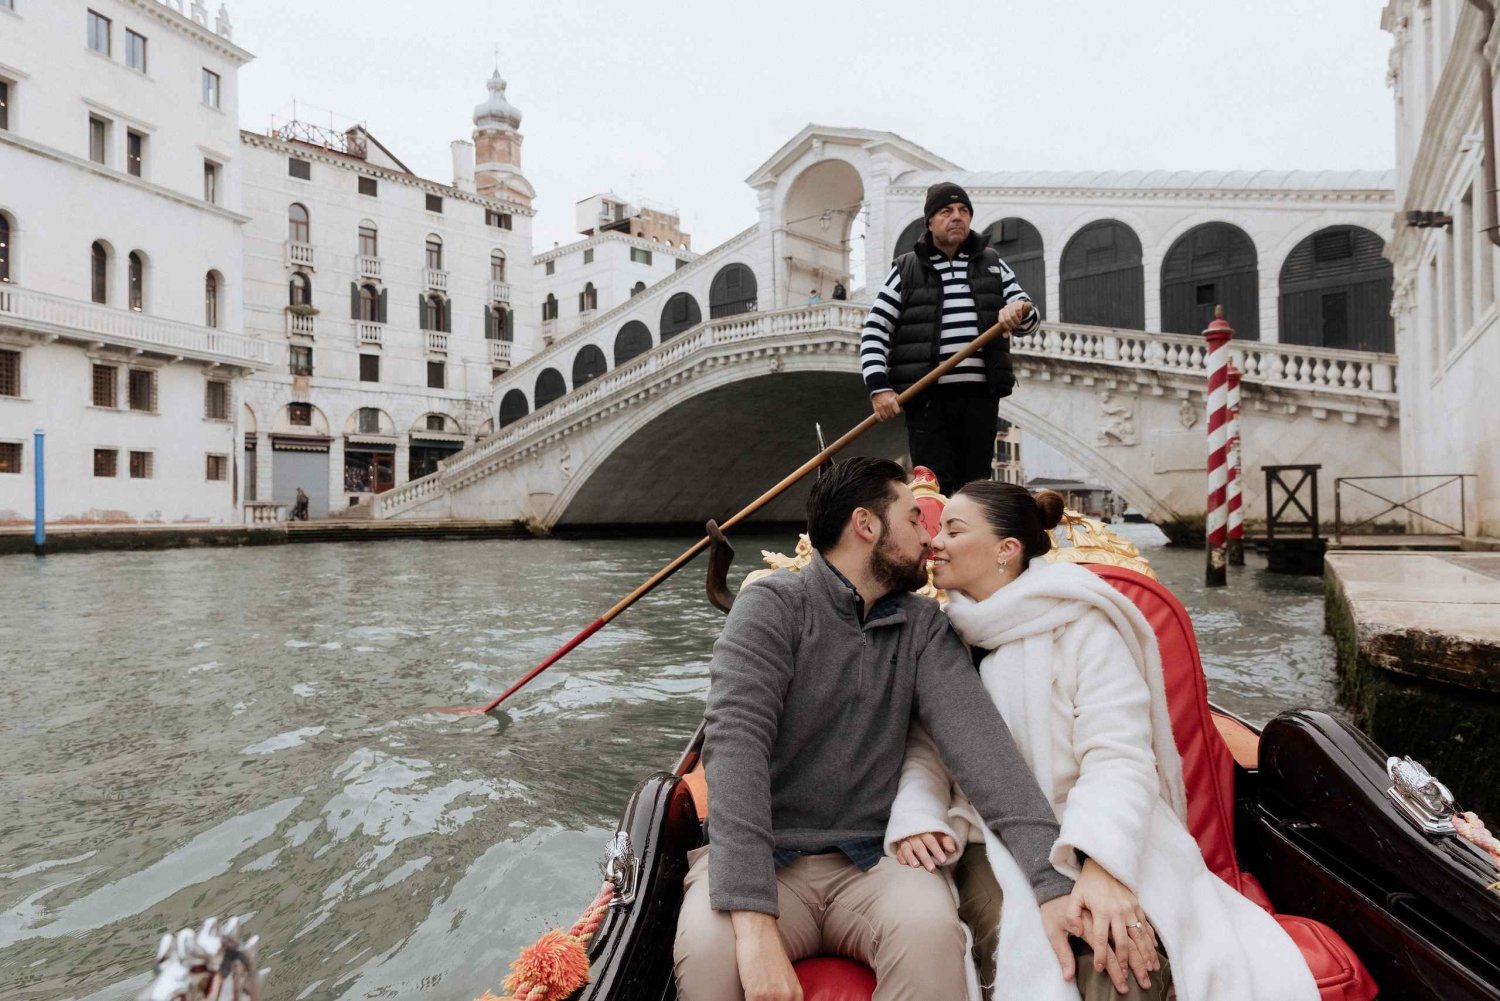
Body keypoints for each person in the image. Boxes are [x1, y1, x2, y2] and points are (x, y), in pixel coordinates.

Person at [886, 481, 1321, 1001]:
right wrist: (918, 814)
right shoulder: (942, 639)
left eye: (953, 530)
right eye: (935, 529)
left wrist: (1101, 865)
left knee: (1119, 959)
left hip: (1103, 828)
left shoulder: (1083, 626)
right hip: (990, 837)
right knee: (1059, 959)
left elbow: (1118, 755)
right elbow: (926, 750)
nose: (934, 542)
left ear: (1007, 550)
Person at [674, 458, 1079, 1001]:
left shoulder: (923, 627)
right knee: (709, 952)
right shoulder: (771, 607)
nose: (928, 536)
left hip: (875, 864)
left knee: (932, 935)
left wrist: (1051, 880)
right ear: (867, 526)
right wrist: (754, 926)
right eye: (914, 520)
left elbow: (982, 750)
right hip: (764, 859)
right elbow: (735, 748)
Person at [862, 182, 1041, 494]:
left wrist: (1018, 309)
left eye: (963, 211)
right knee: (934, 489)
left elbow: (1030, 320)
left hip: (980, 398)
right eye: (946, 211)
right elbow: (876, 329)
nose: (956, 217)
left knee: (975, 491)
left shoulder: (993, 264)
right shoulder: (906, 270)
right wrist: (879, 388)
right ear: (930, 221)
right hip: (928, 401)